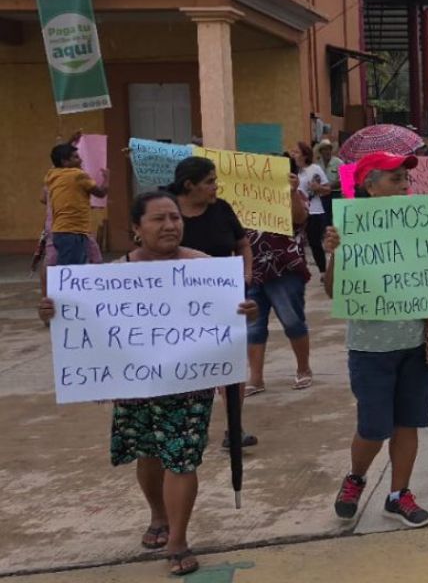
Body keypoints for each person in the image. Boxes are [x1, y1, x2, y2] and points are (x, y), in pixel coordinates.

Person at [39, 191, 257, 577]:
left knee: (182, 457)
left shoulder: (203, 267)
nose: (170, 225)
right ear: (136, 229)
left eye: (175, 217)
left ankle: (178, 539)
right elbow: (83, 326)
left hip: (190, 384)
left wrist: (242, 310)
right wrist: (54, 313)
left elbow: (229, 316)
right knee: (149, 453)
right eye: (158, 219)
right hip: (137, 384)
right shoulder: (114, 275)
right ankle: (158, 515)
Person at [324, 153, 428, 527]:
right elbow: (332, 291)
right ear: (369, 185)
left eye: (406, 180)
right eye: (395, 179)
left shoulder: (423, 222)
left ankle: (397, 494)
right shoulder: (348, 229)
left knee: (408, 423)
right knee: (373, 427)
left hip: (418, 343)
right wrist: (335, 254)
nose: (404, 186)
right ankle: (356, 477)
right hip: (371, 348)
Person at [169, 156, 256, 450]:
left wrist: (245, 273)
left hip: (222, 300)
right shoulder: (166, 211)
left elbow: (242, 243)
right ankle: (187, 426)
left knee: (229, 364)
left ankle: (234, 427)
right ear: (189, 185)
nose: (215, 187)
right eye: (209, 182)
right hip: (175, 305)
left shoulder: (221, 209)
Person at [245, 159, 314, 394]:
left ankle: (303, 369)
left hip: (285, 269)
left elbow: (300, 219)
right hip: (253, 270)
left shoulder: (294, 195)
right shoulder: (246, 197)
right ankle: (255, 378)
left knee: (292, 321)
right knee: (253, 326)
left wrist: (292, 191)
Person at [43, 141, 108, 267]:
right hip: (74, 231)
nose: (80, 160)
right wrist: (106, 179)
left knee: (66, 267)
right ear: (65, 161)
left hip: (59, 231)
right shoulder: (78, 175)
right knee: (72, 271)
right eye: (76, 157)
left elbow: (55, 162)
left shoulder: (51, 175)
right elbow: (100, 193)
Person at [293, 142, 332, 272]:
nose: (293, 155)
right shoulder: (295, 171)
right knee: (297, 243)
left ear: (305, 155)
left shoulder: (315, 168)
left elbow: (327, 189)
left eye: (297, 152)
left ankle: (323, 271)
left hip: (314, 211)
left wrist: (318, 188)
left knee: (314, 243)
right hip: (297, 212)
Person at [316, 139, 343, 221]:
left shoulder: (339, 162)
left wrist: (329, 186)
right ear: (321, 152)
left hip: (336, 194)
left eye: (329, 149)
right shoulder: (317, 164)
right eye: (325, 149)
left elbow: (345, 180)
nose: (327, 151)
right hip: (322, 196)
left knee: (336, 219)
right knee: (324, 219)